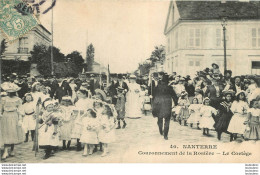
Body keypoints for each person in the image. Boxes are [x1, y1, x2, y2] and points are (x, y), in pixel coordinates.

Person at [0, 83, 24, 160]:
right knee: (6, 132)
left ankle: (12, 149)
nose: (10, 93)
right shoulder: (3, 99)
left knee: (13, 132)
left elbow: (20, 110)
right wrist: (1, 115)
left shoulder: (18, 99)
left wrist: (20, 119)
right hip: (5, 116)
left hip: (14, 116)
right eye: (8, 91)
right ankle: (6, 150)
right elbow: (1, 109)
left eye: (11, 91)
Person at [152, 74, 178, 140]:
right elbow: (174, 96)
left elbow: (153, 96)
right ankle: (165, 135)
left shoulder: (157, 87)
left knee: (160, 118)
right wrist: (176, 103)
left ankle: (161, 130)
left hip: (158, 104)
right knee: (167, 119)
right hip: (167, 104)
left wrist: (153, 104)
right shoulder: (169, 87)